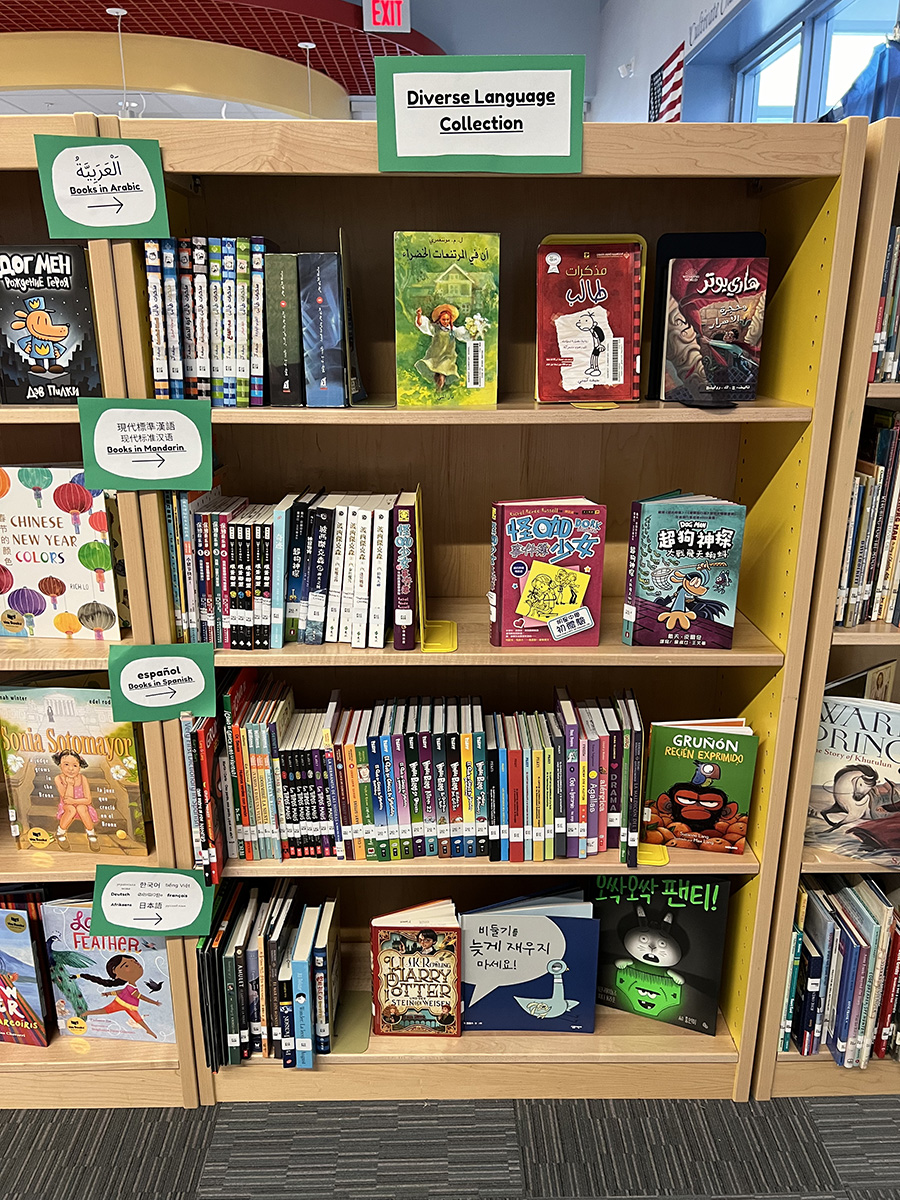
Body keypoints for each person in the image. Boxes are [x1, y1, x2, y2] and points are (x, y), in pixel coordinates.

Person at [79, 954, 164, 1039]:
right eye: (126, 965)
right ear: (116, 975)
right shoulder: (132, 989)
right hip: (121, 1003)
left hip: (130, 1006)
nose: (135, 964)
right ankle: (88, 1012)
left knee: (138, 1019)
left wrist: (108, 993)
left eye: (135, 961)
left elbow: (121, 991)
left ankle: (148, 1030)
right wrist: (154, 1002)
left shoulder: (131, 987)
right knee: (105, 1010)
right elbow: (141, 997)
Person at [52, 748, 99, 851]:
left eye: (75, 765)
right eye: (66, 764)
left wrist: (74, 801)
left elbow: (88, 800)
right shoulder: (58, 779)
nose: (71, 769)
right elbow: (66, 800)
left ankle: (91, 834)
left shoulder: (83, 779)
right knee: (71, 809)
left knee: (82, 808)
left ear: (79, 767)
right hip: (66, 807)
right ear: (60, 765)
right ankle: (60, 832)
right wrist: (69, 784)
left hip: (82, 805)